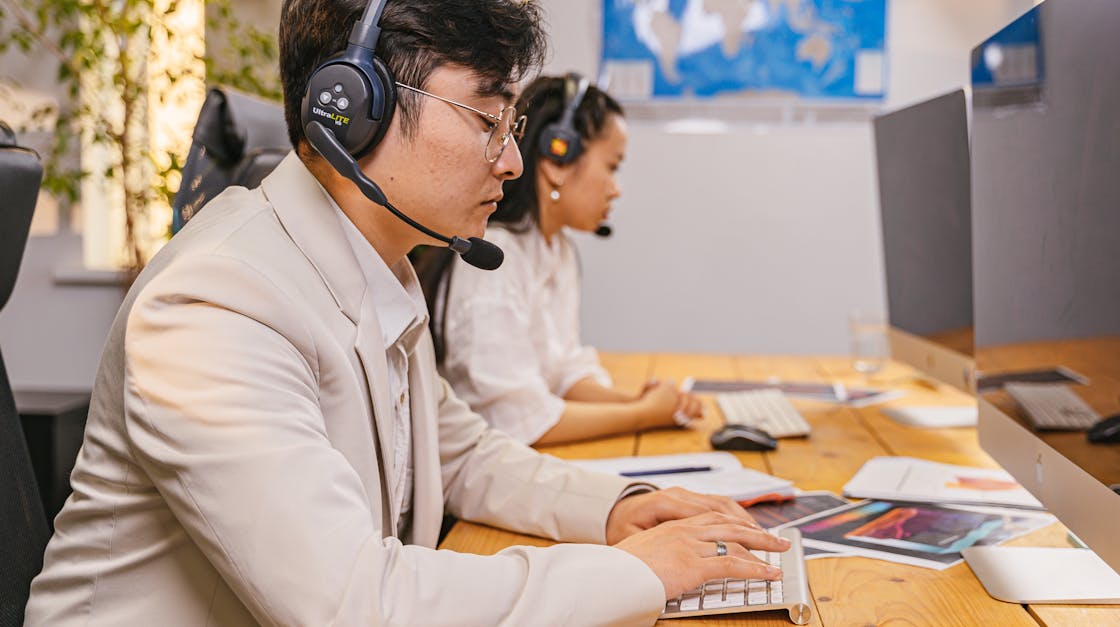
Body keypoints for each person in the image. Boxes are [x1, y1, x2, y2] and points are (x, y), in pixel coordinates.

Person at [24, 1, 789, 625]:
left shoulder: (378, 265)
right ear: (357, 107)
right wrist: (634, 573)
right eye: (488, 120)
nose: (511, 162)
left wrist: (621, 509)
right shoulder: (216, 303)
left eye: (514, 126)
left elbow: (459, 455)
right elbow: (354, 604)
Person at [418, 75, 702, 446]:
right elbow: (519, 421)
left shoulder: (556, 249)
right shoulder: (494, 260)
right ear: (558, 158)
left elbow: (566, 371)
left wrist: (637, 402)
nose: (616, 189)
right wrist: (645, 414)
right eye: (612, 166)